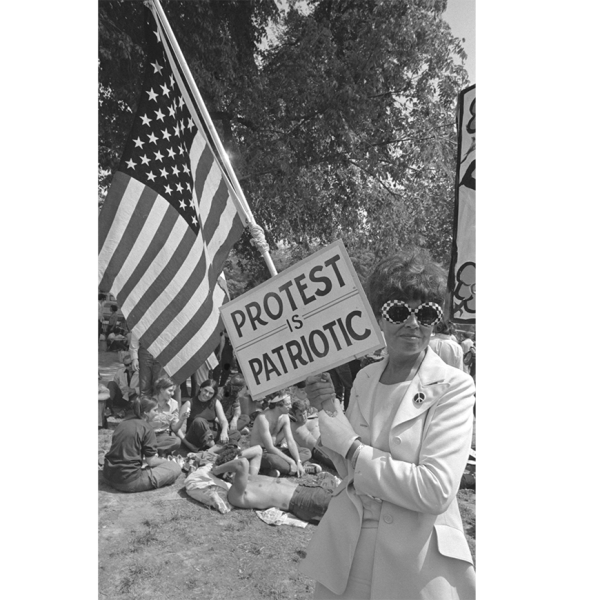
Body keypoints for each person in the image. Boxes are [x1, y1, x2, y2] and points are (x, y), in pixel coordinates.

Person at [301, 250, 476, 600]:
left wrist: (352, 447)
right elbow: (350, 471)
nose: (412, 323)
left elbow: (436, 490)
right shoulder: (365, 378)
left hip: (416, 563)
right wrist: (327, 408)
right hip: (347, 552)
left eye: (426, 314)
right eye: (398, 311)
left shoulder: (455, 387)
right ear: (379, 315)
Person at [211, 445, 334, 523]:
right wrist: (217, 470)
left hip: (310, 489)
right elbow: (241, 463)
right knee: (347, 509)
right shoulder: (236, 494)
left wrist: (233, 456)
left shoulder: (251, 476)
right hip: (302, 500)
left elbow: (258, 450)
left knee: (346, 493)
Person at [103, 396, 181, 492]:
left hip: (108, 475)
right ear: (146, 413)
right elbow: (151, 461)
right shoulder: (147, 428)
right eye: (155, 410)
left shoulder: (122, 424)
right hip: (128, 481)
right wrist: (167, 462)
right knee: (175, 467)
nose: (157, 413)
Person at [249, 392, 314, 478]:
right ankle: (299, 468)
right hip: (261, 452)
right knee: (274, 460)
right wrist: (291, 461)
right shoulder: (263, 418)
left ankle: (290, 468)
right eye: (287, 404)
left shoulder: (285, 417)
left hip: (275, 450)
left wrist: (298, 461)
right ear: (278, 405)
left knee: (306, 452)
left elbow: (290, 441)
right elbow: (269, 447)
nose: (290, 407)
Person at [182, 379, 242, 452]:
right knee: (199, 421)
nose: (207, 395)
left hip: (212, 433)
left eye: (210, 393)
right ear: (200, 389)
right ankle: (219, 448)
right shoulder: (189, 404)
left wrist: (224, 432)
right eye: (205, 391)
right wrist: (189, 445)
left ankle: (210, 451)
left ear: (214, 394)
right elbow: (180, 430)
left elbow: (223, 421)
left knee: (236, 433)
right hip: (195, 436)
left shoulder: (215, 402)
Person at [289, 399, 335, 471]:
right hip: (316, 450)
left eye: (304, 413)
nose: (303, 417)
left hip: (328, 443)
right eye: (300, 415)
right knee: (335, 462)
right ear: (294, 415)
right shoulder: (292, 426)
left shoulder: (315, 418)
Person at [150, 376, 188, 456]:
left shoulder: (174, 404)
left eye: (173, 391)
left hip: (163, 435)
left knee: (177, 441)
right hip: (149, 434)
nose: (173, 394)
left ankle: (152, 451)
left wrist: (182, 419)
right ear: (161, 390)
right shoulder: (149, 402)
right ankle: (158, 452)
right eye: (170, 391)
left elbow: (174, 428)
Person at [105, 352, 140, 417]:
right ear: (124, 365)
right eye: (127, 365)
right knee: (111, 383)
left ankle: (124, 411)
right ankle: (108, 408)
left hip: (132, 398)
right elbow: (114, 385)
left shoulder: (141, 373)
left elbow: (145, 389)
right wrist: (121, 390)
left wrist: (134, 390)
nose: (129, 366)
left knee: (137, 397)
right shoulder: (120, 372)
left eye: (130, 363)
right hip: (121, 396)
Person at [129, 331, 162, 399]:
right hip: (145, 350)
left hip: (161, 350)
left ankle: (158, 408)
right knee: (144, 387)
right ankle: (146, 408)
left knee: (159, 386)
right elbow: (135, 333)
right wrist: (134, 358)